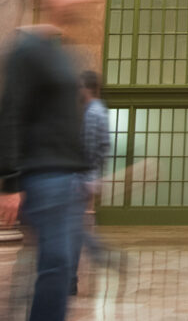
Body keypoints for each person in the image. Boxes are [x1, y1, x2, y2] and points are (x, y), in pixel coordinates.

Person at [0, 0, 92, 321]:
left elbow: (65, 124)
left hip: (65, 178)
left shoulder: (63, 53)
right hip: (43, 177)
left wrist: (83, 175)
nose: (80, 0)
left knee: (57, 266)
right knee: (56, 265)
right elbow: (9, 115)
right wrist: (8, 182)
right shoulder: (26, 50)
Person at [70, 70, 111, 294]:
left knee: (72, 225)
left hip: (80, 177)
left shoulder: (93, 112)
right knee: (72, 225)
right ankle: (70, 276)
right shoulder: (93, 111)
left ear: (87, 88)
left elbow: (96, 147)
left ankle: (94, 255)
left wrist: (90, 175)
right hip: (83, 177)